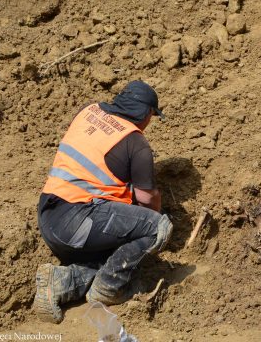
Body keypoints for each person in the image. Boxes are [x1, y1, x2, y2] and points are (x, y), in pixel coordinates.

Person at [33, 80, 173, 323]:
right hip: (79, 223)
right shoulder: (136, 143)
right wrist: (152, 227)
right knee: (157, 227)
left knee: (116, 251)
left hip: (49, 219)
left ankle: (60, 282)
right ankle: (109, 288)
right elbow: (147, 199)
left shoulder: (89, 111)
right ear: (146, 114)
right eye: (151, 116)